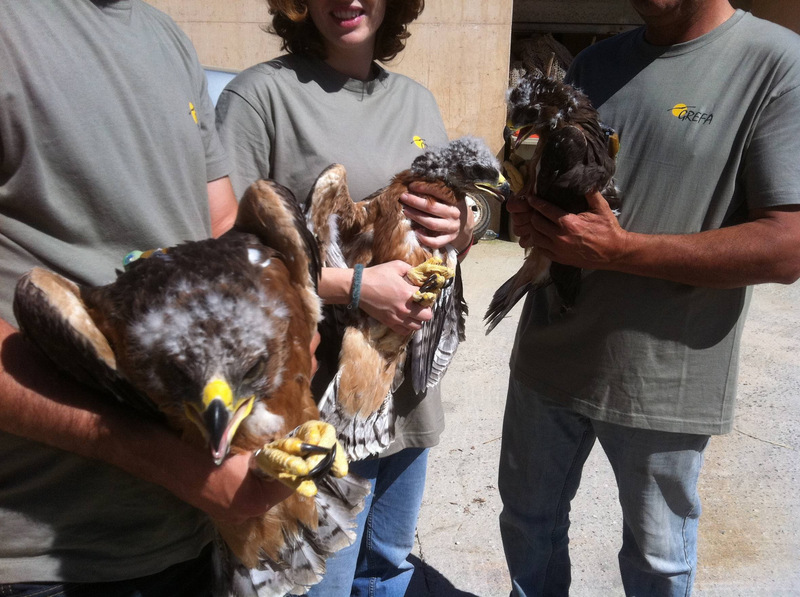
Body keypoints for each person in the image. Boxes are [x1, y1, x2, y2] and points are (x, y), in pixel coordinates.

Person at [499, 1, 800, 596]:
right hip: (548, 358)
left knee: (656, 562)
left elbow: (786, 246)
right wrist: (531, 217)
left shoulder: (774, 64)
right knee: (527, 530)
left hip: (663, 374)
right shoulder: (595, 62)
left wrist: (622, 252)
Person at [0, 2, 293, 595]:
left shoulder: (166, 37)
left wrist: (283, 355)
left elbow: (218, 232)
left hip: (187, 528)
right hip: (48, 547)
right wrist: (167, 459)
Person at [215, 0, 474, 594]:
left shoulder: (415, 101)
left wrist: (465, 224)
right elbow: (231, 257)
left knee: (387, 569)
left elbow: (459, 210)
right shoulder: (261, 98)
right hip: (314, 396)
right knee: (319, 581)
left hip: (404, 391)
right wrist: (356, 286)